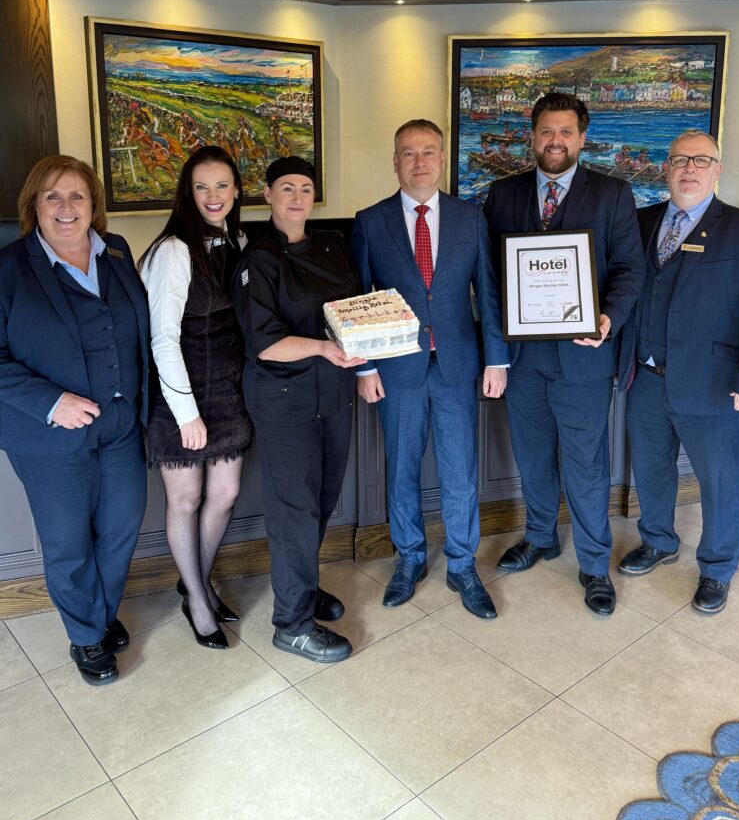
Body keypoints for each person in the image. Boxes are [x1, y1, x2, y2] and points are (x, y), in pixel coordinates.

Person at [483, 93, 645, 615]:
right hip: (523, 360)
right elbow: (488, 277)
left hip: (584, 357)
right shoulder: (501, 194)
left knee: (586, 465)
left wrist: (608, 317)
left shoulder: (614, 194)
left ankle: (595, 564)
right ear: (532, 136)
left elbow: (630, 270)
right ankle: (541, 536)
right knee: (531, 456)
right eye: (547, 132)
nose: (556, 142)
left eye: (566, 133)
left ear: (582, 137)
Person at [0, 155, 150, 684]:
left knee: (122, 525)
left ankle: (100, 614)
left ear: (94, 205)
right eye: (53, 197)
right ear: (33, 206)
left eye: (78, 196)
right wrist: (50, 401)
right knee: (67, 540)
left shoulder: (116, 252)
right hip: (48, 436)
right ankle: (87, 637)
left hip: (120, 424)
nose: (67, 208)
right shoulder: (8, 267)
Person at [350, 119, 508, 619]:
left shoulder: (470, 217)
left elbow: (487, 290)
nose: (420, 162)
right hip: (396, 370)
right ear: (395, 161)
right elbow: (360, 300)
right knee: (401, 468)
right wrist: (365, 368)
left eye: (429, 152)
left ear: (443, 159)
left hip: (458, 365)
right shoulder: (370, 221)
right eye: (409, 153)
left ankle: (462, 565)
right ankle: (410, 558)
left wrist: (497, 357)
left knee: (460, 470)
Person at [618, 129, 739, 613]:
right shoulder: (638, 222)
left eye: (701, 161)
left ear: (717, 170)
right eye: (680, 160)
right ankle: (659, 541)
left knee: (721, 481)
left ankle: (718, 568)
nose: (689, 169)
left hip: (714, 383)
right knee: (653, 471)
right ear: (666, 168)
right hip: (645, 377)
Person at [232, 157, 363, 664]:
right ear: (266, 194)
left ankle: (302, 591)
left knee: (323, 501)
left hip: (334, 394)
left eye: (306, 189)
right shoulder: (258, 260)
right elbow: (264, 344)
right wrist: (326, 349)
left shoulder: (332, 245)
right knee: (295, 512)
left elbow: (353, 309)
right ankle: (291, 624)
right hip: (285, 402)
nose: (296, 197)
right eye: (286, 188)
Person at [140, 146, 252, 649]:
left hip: (226, 390)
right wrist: (186, 413)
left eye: (222, 186)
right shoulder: (173, 251)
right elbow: (162, 339)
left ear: (236, 192)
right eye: (202, 186)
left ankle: (194, 586)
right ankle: (200, 602)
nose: (213, 196)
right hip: (179, 391)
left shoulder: (240, 240)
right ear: (188, 191)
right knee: (185, 498)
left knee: (224, 495)